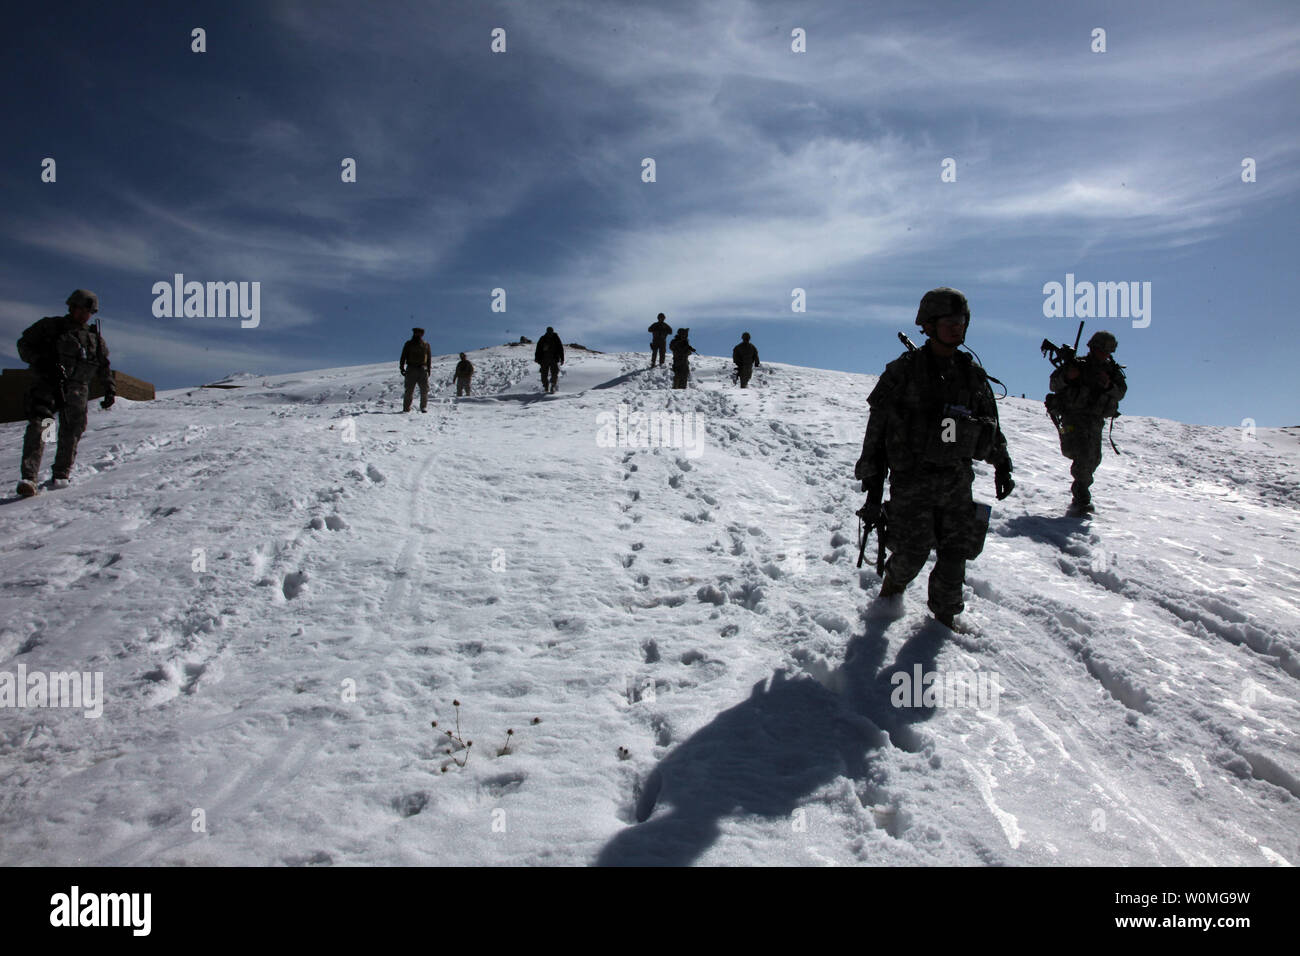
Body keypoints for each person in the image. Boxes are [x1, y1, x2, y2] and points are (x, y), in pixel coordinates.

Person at [854, 287, 1015, 630]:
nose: (957, 328)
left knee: (955, 554)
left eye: (961, 321)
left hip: (957, 479)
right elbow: (877, 431)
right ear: (928, 325)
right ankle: (891, 592)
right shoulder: (903, 372)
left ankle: (944, 619)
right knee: (911, 553)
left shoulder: (972, 375)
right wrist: (872, 486)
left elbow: (989, 424)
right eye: (949, 322)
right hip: (913, 480)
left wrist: (1002, 464)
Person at [15, 289, 115, 497]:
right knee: (43, 427)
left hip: (78, 390)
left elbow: (104, 365)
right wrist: (40, 361)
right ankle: (29, 477)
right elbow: (23, 345)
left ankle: (61, 474)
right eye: (80, 309)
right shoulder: (51, 327)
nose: (83, 315)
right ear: (71, 307)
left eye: (88, 311)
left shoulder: (94, 339)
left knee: (72, 431)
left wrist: (109, 390)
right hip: (49, 384)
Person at [1050, 330, 1126, 516]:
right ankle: (1081, 497)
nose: (1104, 354)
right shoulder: (1076, 365)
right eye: (1101, 350)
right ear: (1093, 348)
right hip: (1073, 417)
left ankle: (1081, 492)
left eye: (1107, 351)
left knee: (1093, 458)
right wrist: (1069, 377)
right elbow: (1054, 384)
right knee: (1081, 455)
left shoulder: (1111, 372)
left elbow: (1121, 393)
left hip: (1095, 420)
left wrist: (1108, 385)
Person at [399, 327, 431, 412]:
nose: (417, 334)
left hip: (422, 369)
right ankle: (406, 408)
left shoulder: (426, 345)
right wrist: (401, 367)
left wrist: (429, 369)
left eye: (419, 333)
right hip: (411, 368)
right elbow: (403, 356)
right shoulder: (408, 344)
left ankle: (423, 407)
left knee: (424, 390)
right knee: (409, 390)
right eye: (416, 333)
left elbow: (428, 358)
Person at [535, 327, 564, 393]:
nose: (550, 332)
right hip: (544, 359)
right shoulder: (543, 338)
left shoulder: (556, 338)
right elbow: (538, 349)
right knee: (544, 375)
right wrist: (537, 358)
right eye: (549, 331)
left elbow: (560, 348)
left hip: (553, 359)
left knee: (554, 373)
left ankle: (552, 386)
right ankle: (546, 386)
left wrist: (562, 359)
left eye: (550, 331)